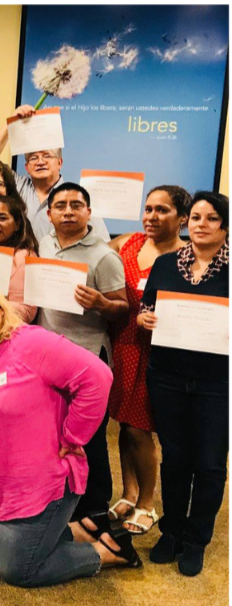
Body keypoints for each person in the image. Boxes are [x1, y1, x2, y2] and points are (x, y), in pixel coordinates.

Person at [0, 280, 140, 586]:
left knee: (15, 568)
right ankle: (76, 530)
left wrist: (73, 436)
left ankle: (105, 552)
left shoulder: (31, 342)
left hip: (37, 481)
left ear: (0, 306)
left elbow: (98, 377)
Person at [137, 191, 229, 576]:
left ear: (225, 226)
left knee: (209, 463)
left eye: (211, 218)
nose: (201, 224)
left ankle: (196, 539)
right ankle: (172, 531)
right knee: (175, 459)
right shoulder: (166, 263)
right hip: (168, 376)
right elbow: (146, 308)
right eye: (195, 217)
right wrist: (144, 319)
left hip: (217, 382)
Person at [37, 182, 127, 522]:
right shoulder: (44, 244)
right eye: (60, 206)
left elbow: (122, 310)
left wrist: (102, 303)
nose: (68, 211)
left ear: (89, 212)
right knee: (53, 431)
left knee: (89, 436)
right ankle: (61, 498)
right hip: (48, 355)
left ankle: (96, 506)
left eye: (76, 205)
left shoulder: (104, 256)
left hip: (88, 358)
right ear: (49, 214)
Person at [105, 185, 189, 536]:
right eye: (148, 208)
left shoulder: (187, 256)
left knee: (139, 428)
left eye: (162, 210)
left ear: (182, 218)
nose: (152, 216)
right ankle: (129, 492)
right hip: (121, 344)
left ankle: (147, 503)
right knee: (124, 423)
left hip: (159, 352)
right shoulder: (128, 242)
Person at [0, 105, 110, 242]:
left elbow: (104, 243)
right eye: (33, 158)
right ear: (27, 167)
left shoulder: (77, 197)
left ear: (60, 162)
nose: (40, 162)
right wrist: (11, 124)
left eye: (47, 156)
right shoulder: (16, 186)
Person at [0, 194, 39, 322]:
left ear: (17, 224)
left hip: (8, 331)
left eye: (2, 218)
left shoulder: (25, 257)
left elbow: (26, 311)